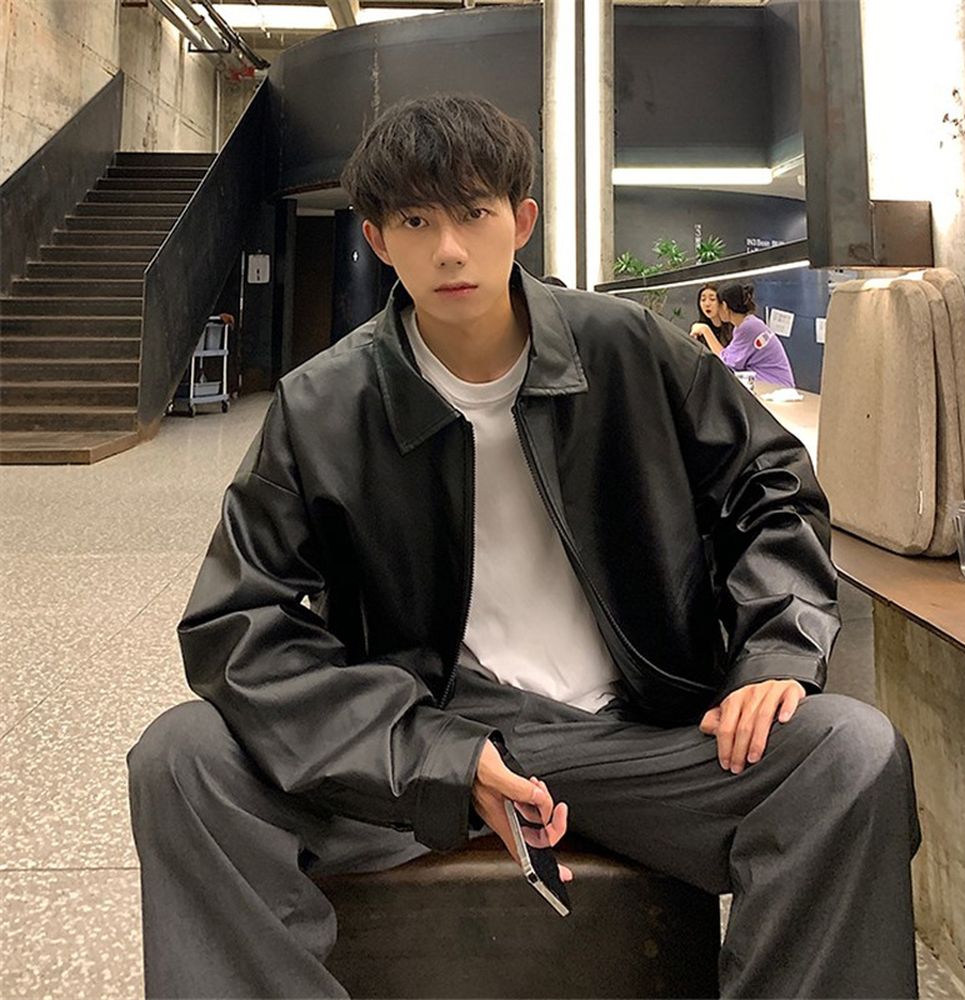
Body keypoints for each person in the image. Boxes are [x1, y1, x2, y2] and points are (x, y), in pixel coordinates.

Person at [127, 94, 920, 1000]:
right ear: (377, 240)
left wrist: (775, 646)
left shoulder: (627, 349)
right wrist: (432, 753)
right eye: (416, 222)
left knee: (849, 752)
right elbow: (239, 622)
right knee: (183, 757)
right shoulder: (322, 407)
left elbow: (768, 484)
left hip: (638, 735)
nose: (449, 249)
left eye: (474, 213)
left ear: (522, 221)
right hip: (429, 739)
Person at [710, 282, 796, 388]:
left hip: (775, 388)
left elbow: (726, 361)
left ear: (724, 306)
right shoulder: (748, 324)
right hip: (774, 386)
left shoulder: (748, 328)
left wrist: (705, 331)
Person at [688, 282, 732, 351]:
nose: (707, 304)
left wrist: (706, 331)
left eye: (712, 299)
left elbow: (726, 356)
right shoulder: (698, 329)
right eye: (703, 300)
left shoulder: (734, 328)